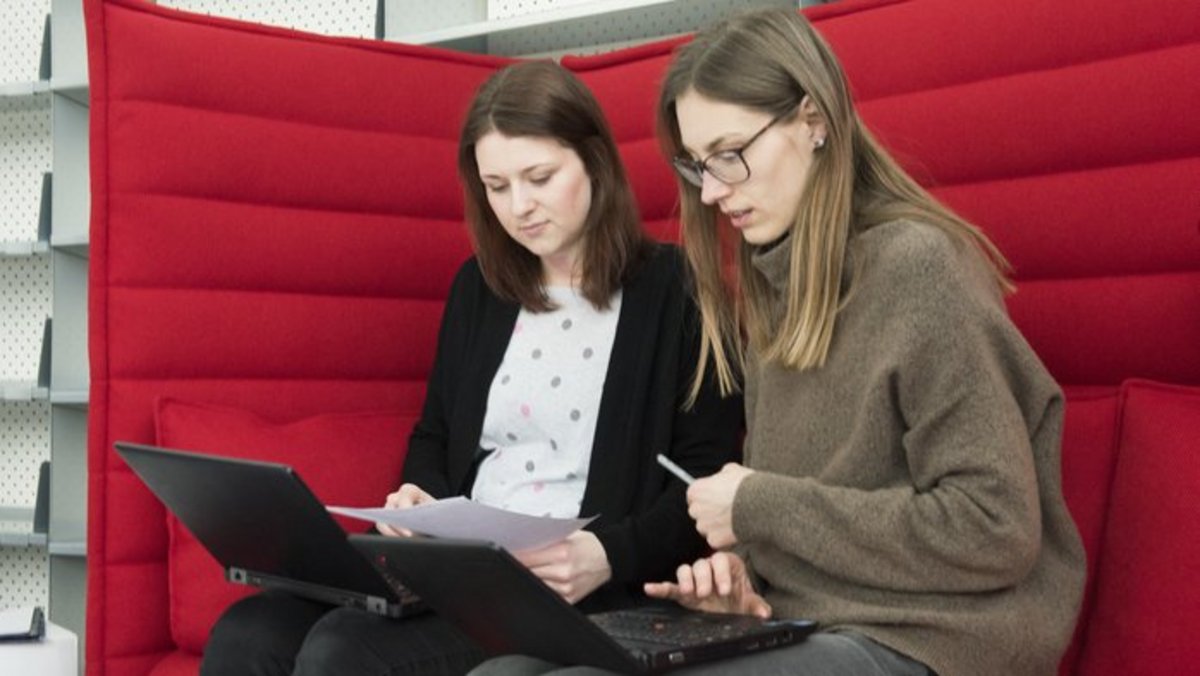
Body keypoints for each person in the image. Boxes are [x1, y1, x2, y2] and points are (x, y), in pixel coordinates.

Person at [470, 8, 1085, 676]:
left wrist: (756, 507)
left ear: (813, 120)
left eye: (731, 154)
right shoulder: (771, 286)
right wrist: (740, 578)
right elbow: (802, 517)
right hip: (809, 622)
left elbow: (994, 528)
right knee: (504, 672)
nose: (712, 192)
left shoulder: (918, 267)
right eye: (699, 165)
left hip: (930, 639)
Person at [199, 60, 742, 676]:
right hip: (460, 568)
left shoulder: (679, 290)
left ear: (595, 161)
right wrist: (420, 499)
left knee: (345, 649)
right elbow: (434, 436)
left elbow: (705, 478)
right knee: (250, 633)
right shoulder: (480, 289)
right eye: (497, 186)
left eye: (540, 177)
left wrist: (606, 555)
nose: (520, 206)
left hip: (573, 590)